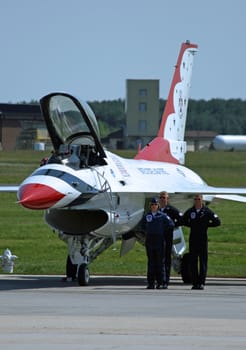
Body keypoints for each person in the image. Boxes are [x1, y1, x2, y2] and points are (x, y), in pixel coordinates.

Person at [182, 194, 221, 290]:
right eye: (195, 199)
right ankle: (195, 283)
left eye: (198, 199)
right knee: (193, 262)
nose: (197, 201)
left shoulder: (206, 211)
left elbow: (217, 221)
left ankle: (202, 282)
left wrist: (206, 225)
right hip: (193, 239)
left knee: (203, 262)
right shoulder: (191, 211)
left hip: (202, 240)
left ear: (202, 200)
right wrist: (191, 225)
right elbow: (183, 220)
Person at [142, 197, 174, 289]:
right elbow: (142, 225)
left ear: (158, 206)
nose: (153, 206)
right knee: (151, 263)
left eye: (155, 204)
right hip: (150, 240)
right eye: (152, 204)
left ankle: (161, 282)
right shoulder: (147, 216)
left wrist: (162, 230)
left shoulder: (162, 216)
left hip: (159, 240)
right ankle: (150, 283)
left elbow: (171, 224)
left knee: (160, 263)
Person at [159, 191, 183, 286]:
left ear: (167, 199)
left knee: (166, 260)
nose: (163, 199)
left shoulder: (171, 210)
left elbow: (182, 219)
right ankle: (159, 280)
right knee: (158, 260)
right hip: (157, 238)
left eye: (164, 198)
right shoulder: (156, 209)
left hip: (167, 237)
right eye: (161, 197)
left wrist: (173, 226)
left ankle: (165, 281)